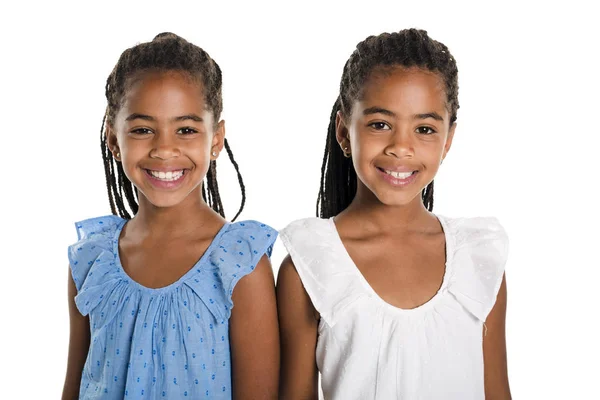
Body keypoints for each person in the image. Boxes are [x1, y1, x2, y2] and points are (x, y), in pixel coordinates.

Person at [277, 29, 511, 399]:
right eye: (380, 124)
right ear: (344, 131)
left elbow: (496, 392)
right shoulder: (309, 268)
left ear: (448, 139)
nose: (401, 147)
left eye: (424, 129)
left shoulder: (478, 260)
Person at [62, 33, 279, 400]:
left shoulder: (239, 266)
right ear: (114, 139)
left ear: (216, 139)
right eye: (143, 130)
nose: (165, 149)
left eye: (186, 130)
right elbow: (75, 386)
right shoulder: (91, 261)